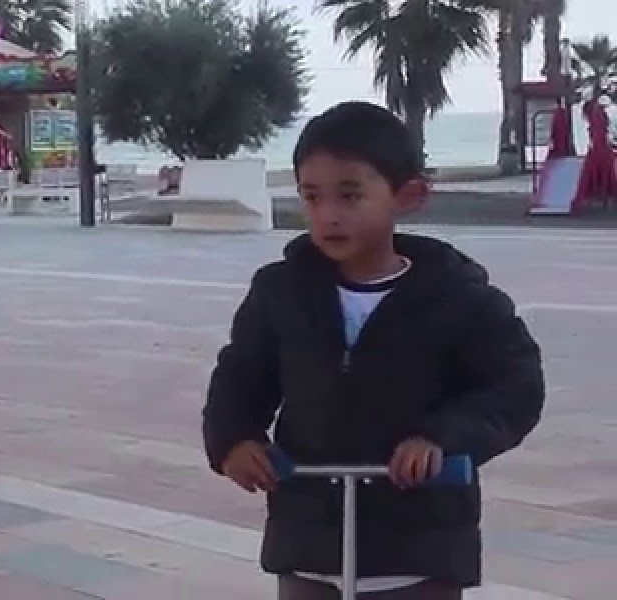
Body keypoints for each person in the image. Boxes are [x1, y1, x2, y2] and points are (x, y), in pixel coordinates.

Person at [201, 102, 545, 599]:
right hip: (309, 541)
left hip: (418, 548)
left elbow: (515, 387)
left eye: (349, 195)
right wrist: (234, 438)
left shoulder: (459, 296)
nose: (328, 216)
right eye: (312, 198)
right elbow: (241, 375)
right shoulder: (281, 291)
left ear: (408, 196)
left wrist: (442, 439)